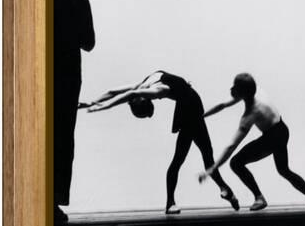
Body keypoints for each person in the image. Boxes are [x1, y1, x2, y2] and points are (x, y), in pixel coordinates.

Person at [83, 70, 240, 214]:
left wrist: (103, 105)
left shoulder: (152, 89)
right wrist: (94, 102)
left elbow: (126, 94)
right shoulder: (146, 86)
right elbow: (116, 92)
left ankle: (218, 191)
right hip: (189, 108)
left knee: (193, 157)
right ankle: (221, 190)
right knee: (197, 156)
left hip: (191, 109)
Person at [199, 73, 305, 211]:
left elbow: (231, 146)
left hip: (273, 137)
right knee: (284, 170)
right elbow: (223, 104)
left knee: (236, 163)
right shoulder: (256, 90)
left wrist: (212, 168)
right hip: (282, 129)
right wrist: (202, 116)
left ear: (242, 93)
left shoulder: (251, 114)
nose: (231, 88)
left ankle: (259, 197)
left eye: (235, 87)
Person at [54, 0, 95, 223]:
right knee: (62, 138)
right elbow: (88, 43)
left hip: (38, 71)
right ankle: (54, 202)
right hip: (67, 76)